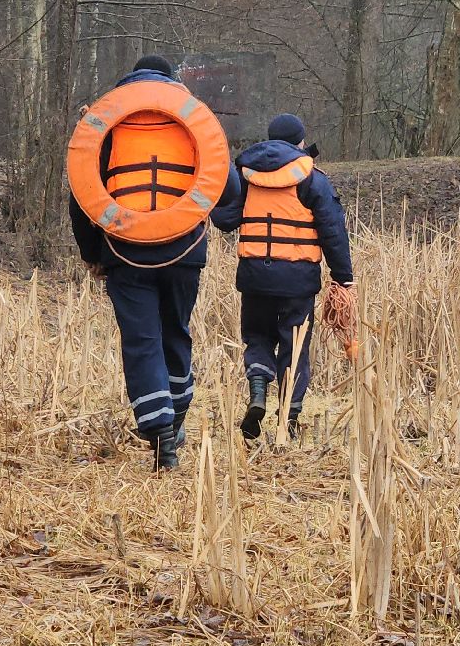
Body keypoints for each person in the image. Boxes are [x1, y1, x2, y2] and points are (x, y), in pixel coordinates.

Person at [70, 55, 236, 470]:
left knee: (142, 340)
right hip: (184, 252)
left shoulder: (106, 122)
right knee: (175, 332)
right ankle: (176, 412)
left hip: (126, 254)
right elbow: (229, 191)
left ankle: (160, 431)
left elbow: (82, 196)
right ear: (171, 82)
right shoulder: (194, 119)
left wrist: (93, 254)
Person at [211, 113, 353, 440]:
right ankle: (287, 419)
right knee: (294, 346)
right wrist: (343, 277)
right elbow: (333, 232)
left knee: (258, 337)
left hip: (254, 277)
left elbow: (224, 220)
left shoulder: (246, 176)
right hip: (298, 280)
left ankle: (258, 389)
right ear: (301, 142)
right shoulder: (312, 179)